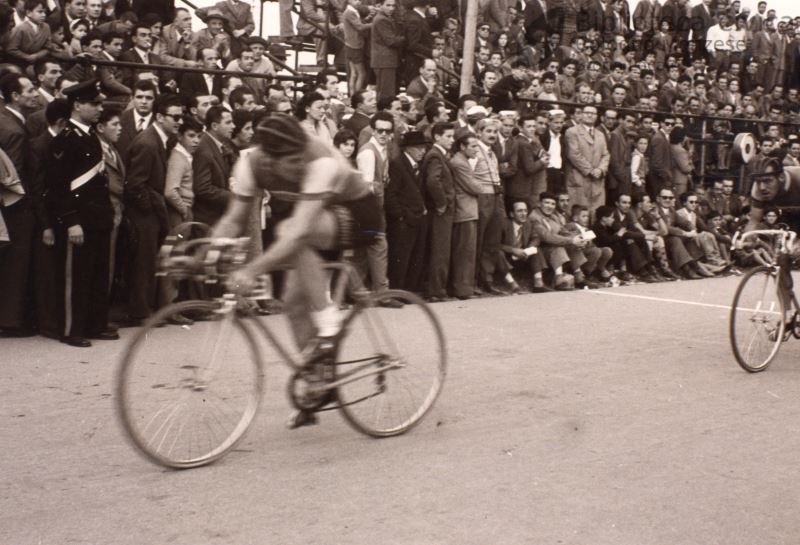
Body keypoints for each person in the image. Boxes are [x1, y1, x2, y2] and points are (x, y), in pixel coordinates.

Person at [213, 113, 383, 429]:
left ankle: (328, 321)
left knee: (294, 232)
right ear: (269, 158)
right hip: (317, 215)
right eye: (292, 161)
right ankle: (318, 380)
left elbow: (298, 232)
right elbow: (233, 217)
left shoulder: (319, 160)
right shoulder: (251, 163)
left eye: (300, 156)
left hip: (359, 212)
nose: (299, 164)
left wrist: (250, 271)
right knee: (292, 302)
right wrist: (213, 249)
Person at [45, 79, 116, 347]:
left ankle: (95, 324)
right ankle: (71, 329)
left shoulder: (89, 136)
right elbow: (58, 186)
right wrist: (72, 221)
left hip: (97, 218)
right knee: (76, 275)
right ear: (77, 106)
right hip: (78, 219)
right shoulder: (66, 139)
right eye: (94, 103)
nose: (100, 108)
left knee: (97, 273)